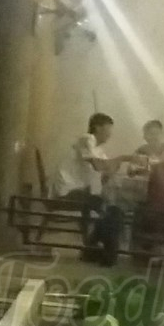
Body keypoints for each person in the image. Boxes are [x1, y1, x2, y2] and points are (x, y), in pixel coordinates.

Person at [56, 113, 124, 264]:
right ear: (98, 127)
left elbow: (108, 169)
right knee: (106, 209)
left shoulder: (98, 149)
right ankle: (102, 253)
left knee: (113, 210)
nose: (110, 133)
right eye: (108, 129)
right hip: (69, 192)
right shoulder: (86, 139)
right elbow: (98, 165)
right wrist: (124, 158)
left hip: (83, 193)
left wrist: (111, 169)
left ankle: (96, 250)